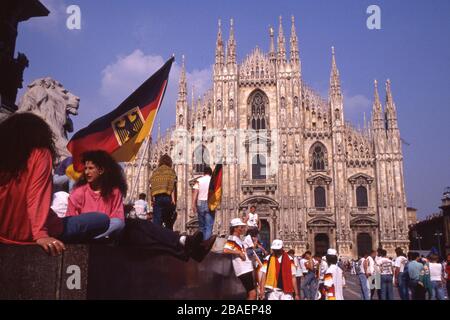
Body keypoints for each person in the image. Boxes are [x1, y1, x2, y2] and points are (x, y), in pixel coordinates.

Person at [0, 113, 108, 256]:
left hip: (3, 234)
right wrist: (41, 234)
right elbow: (36, 195)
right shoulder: (40, 154)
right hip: (38, 232)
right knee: (101, 219)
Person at [66, 150, 127, 240]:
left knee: (118, 222)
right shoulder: (78, 193)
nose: (86, 172)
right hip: (84, 230)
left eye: (91, 168)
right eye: (85, 168)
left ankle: (93, 238)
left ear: (101, 170)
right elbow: (70, 219)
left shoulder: (114, 192)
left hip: (105, 229)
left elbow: (117, 217)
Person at [223, 218, 257, 300]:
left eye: (242, 227)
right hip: (243, 269)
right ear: (235, 228)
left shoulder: (238, 239)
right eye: (240, 227)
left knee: (250, 293)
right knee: (253, 294)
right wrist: (239, 253)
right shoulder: (233, 238)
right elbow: (226, 250)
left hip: (246, 268)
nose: (242, 229)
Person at [149, 154, 177, 228]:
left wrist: (152, 199)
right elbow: (173, 186)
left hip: (157, 198)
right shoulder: (171, 171)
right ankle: (168, 236)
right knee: (168, 220)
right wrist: (174, 200)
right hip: (167, 198)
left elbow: (151, 186)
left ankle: (156, 237)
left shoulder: (155, 172)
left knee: (157, 221)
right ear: (169, 162)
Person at [192, 166, 214, 240]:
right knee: (209, 226)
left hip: (200, 203)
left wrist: (193, 204)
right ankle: (206, 244)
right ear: (211, 173)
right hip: (209, 202)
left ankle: (201, 243)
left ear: (204, 173)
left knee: (201, 226)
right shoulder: (212, 180)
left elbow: (195, 192)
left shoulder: (199, 180)